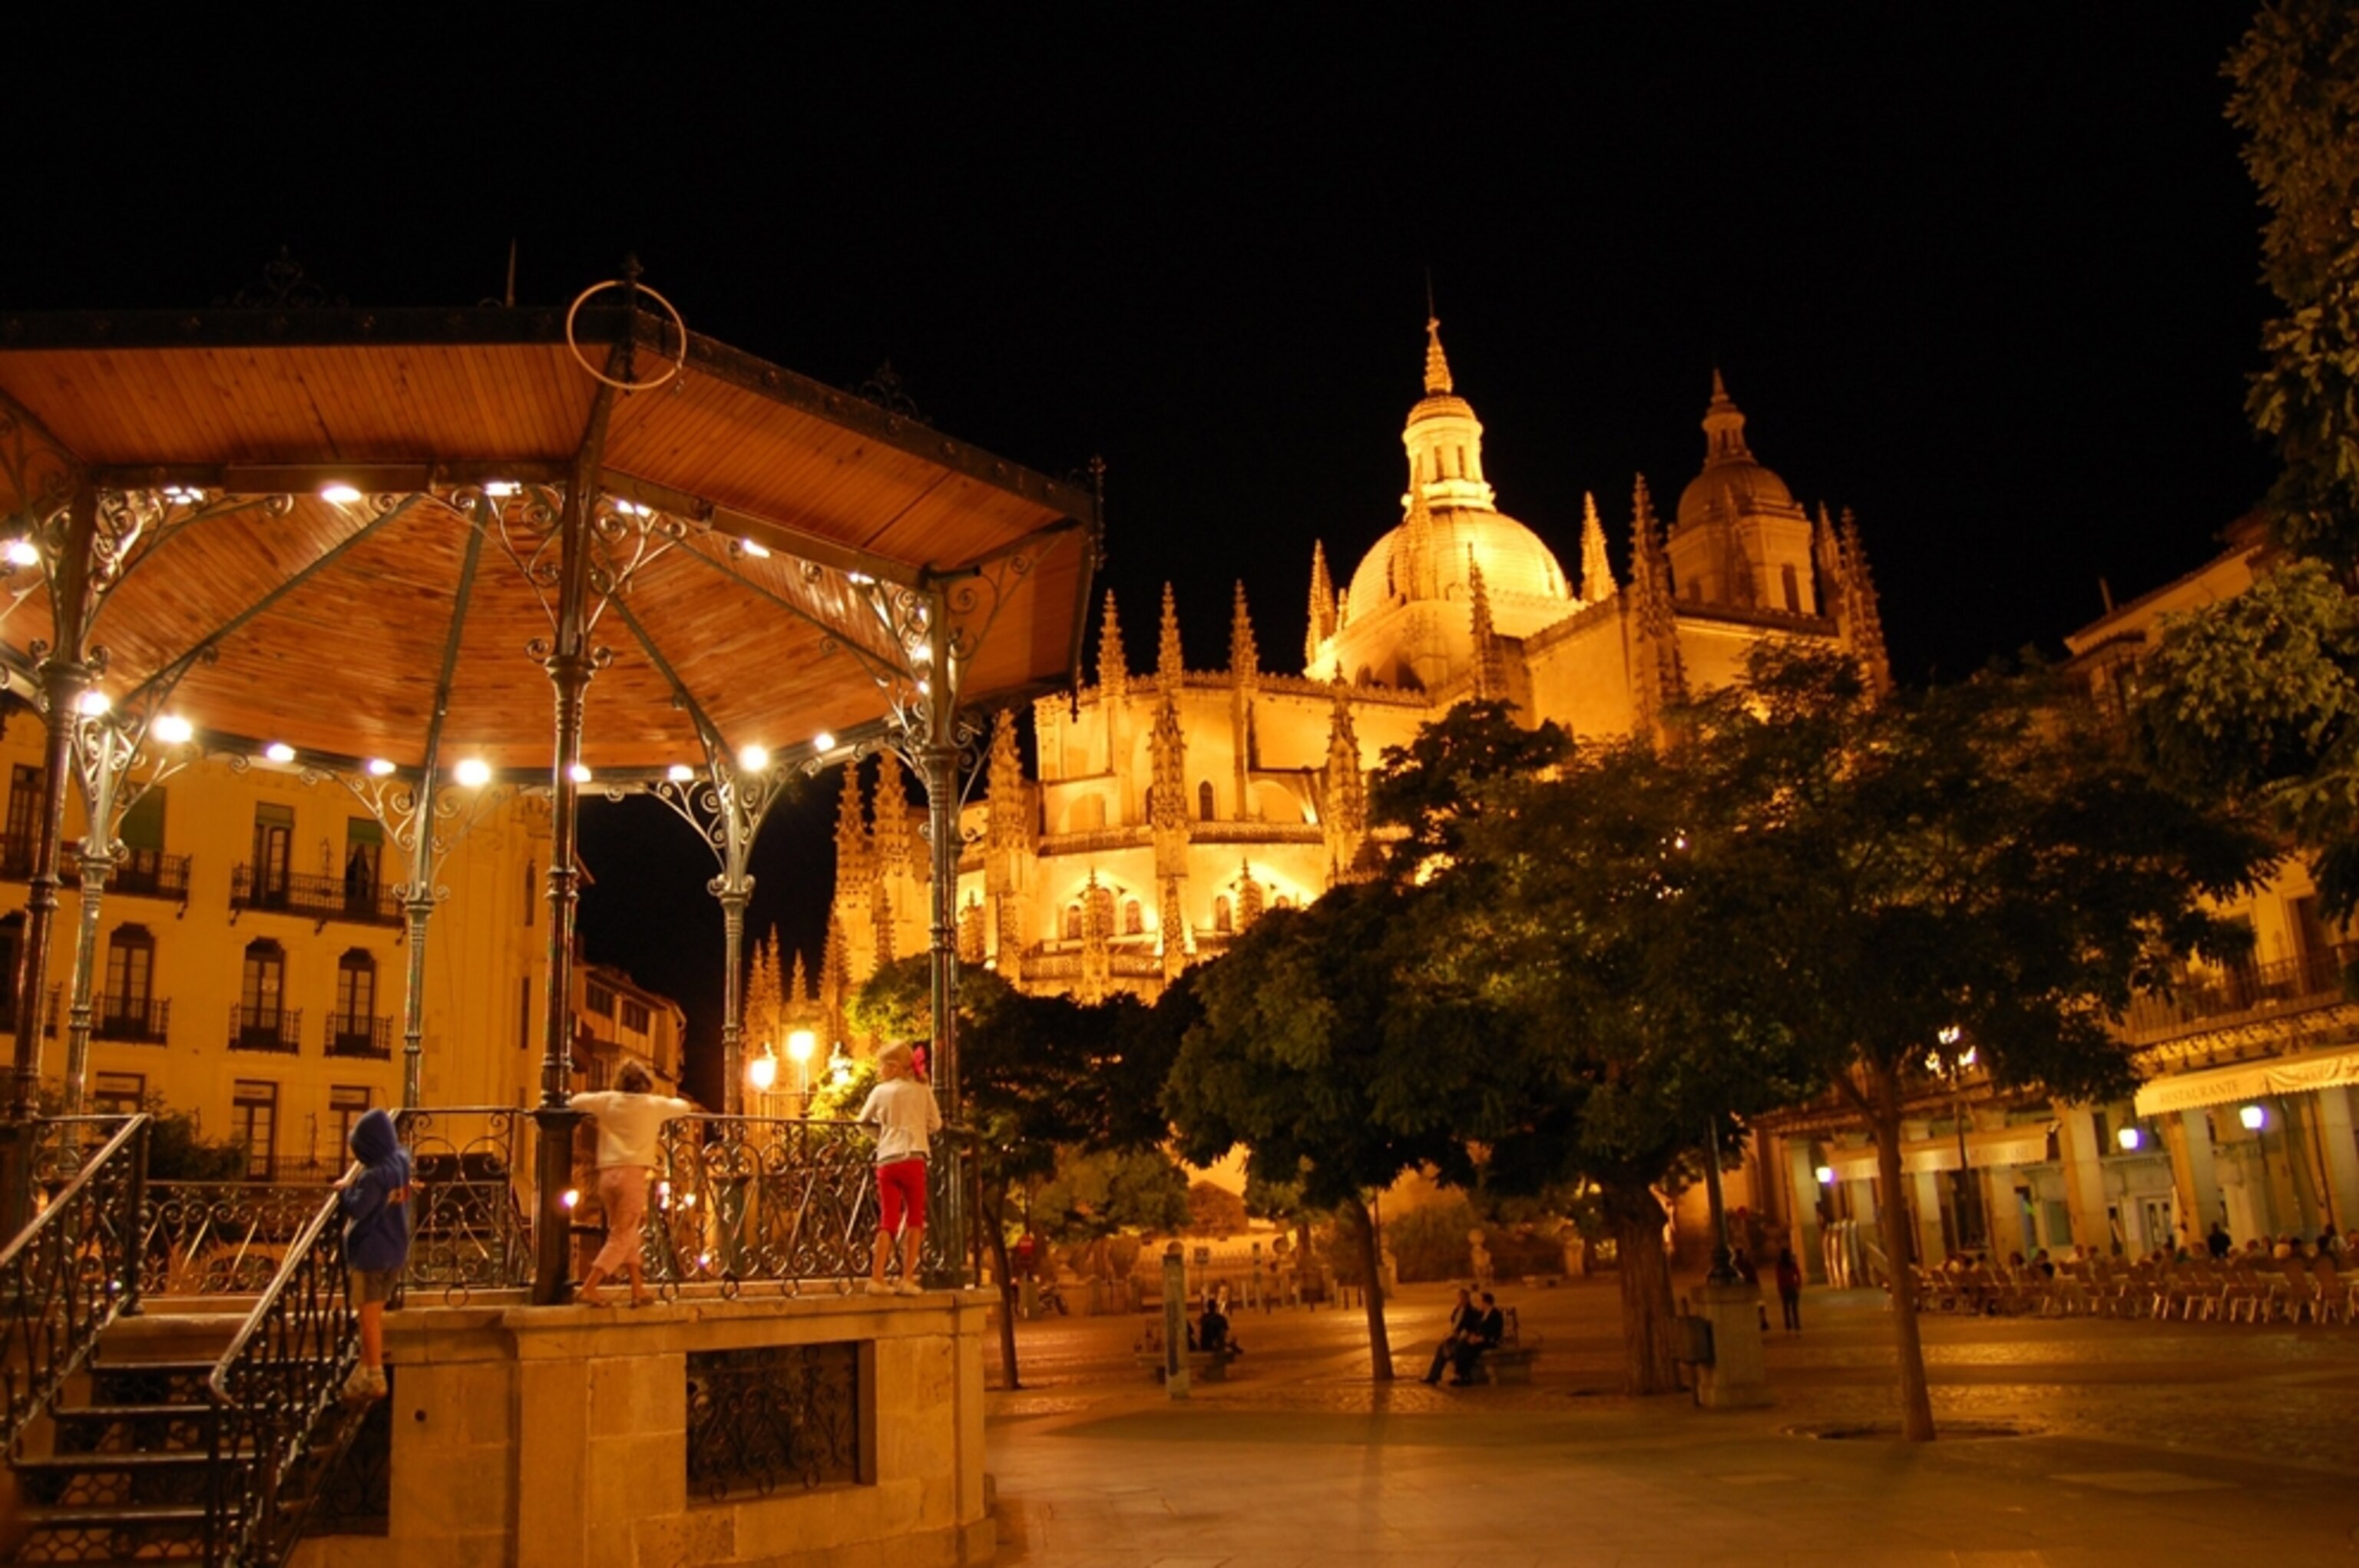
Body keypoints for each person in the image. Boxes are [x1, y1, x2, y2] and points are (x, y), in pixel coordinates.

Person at [568, 1063, 695, 1308]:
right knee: (622, 1234)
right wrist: (663, 1098)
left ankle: (638, 1289)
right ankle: (589, 1287)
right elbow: (683, 1107)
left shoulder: (607, 1101)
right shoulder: (652, 1105)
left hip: (606, 1175)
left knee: (627, 1232)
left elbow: (576, 1101)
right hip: (632, 1175)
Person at [336, 1107, 411, 1405]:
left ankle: (374, 1374)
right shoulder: (402, 1163)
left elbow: (358, 1209)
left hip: (370, 1253)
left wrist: (344, 1191)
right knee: (376, 1313)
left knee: (367, 1316)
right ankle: (366, 1364)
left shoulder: (374, 1176)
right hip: (396, 1250)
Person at [859, 1041, 944, 1295]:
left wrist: (882, 1135)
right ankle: (908, 1278)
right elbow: (936, 1124)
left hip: (887, 1159)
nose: (878, 1071)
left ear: (893, 1067)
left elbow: (862, 1122)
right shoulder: (922, 1090)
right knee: (915, 1219)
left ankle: (877, 1278)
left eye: (881, 1066)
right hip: (913, 1158)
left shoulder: (879, 1091)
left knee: (888, 1220)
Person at [1421, 1287, 1476, 1384]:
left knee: (1453, 1348)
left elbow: (1470, 1327)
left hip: (1463, 1338)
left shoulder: (1471, 1311)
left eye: (1463, 1298)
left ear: (1467, 1299)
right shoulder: (1458, 1310)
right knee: (1441, 1348)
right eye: (1459, 1298)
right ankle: (1434, 1376)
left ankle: (1457, 1375)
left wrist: (1461, 1333)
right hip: (1455, 1337)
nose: (1461, 1300)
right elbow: (1454, 1321)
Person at [1451, 1291, 1505, 1384]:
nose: (1479, 1304)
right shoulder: (1482, 1314)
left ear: (1486, 1302)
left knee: (1467, 1349)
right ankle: (1461, 1375)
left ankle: (1464, 1376)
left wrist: (1481, 1338)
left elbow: (1495, 1331)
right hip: (1478, 1339)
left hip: (1489, 1341)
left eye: (1480, 1301)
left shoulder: (1495, 1314)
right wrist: (1473, 1336)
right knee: (1460, 1346)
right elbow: (1475, 1326)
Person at [1774, 1246, 1804, 1333]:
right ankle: (1797, 1325)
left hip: (1785, 1288)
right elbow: (1798, 1275)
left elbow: (1779, 1279)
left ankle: (1788, 1326)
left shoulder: (1779, 1266)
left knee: (1786, 1309)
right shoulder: (1792, 1264)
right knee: (1795, 1309)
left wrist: (1780, 1289)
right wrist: (1798, 1285)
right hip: (1793, 1287)